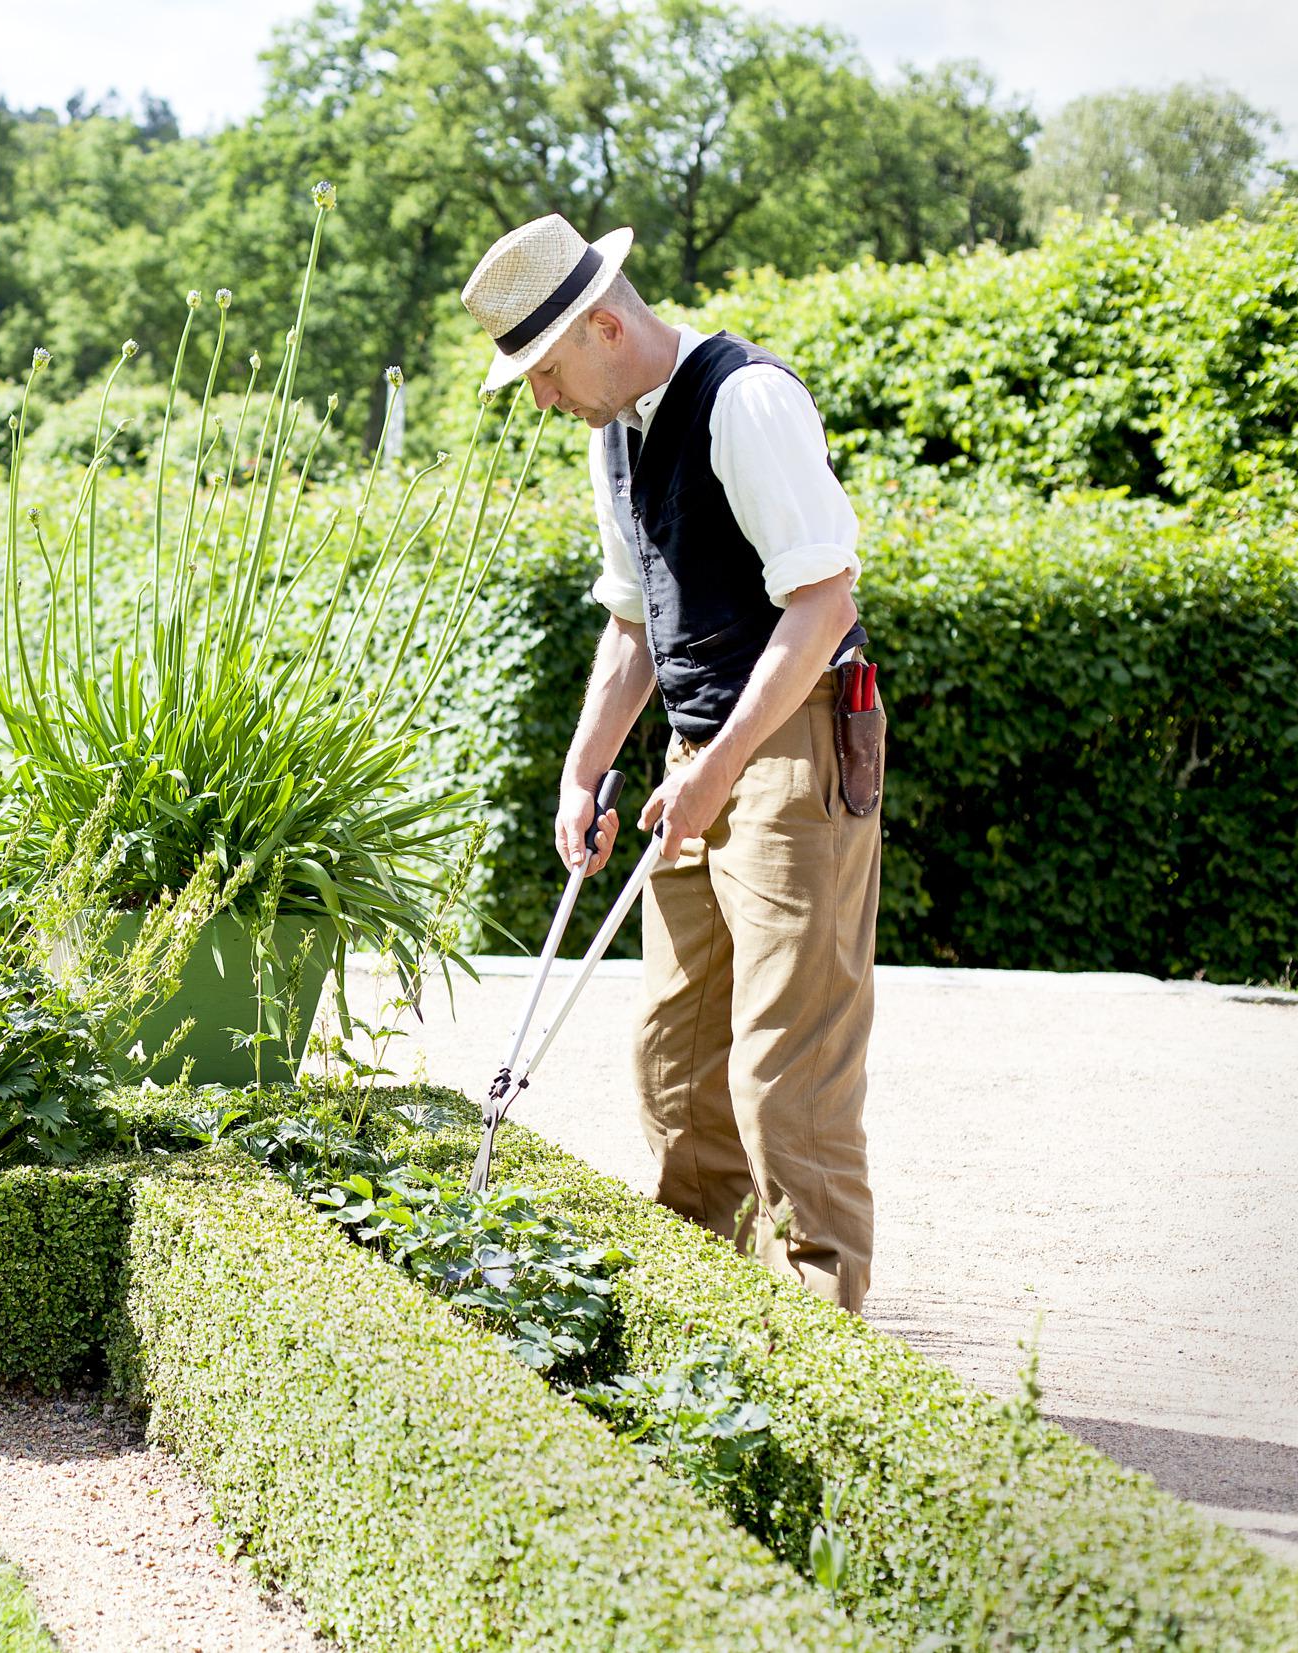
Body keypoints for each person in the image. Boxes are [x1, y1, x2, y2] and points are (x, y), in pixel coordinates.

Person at [460, 213, 884, 1311]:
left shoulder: (745, 400)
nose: (541, 400)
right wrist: (582, 768)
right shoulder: (614, 430)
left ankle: (817, 1345)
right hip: (697, 753)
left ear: (603, 327)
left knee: (783, 1076)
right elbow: (631, 624)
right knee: (675, 1069)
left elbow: (823, 602)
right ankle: (703, 1323)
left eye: (544, 372)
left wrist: (718, 767)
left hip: (790, 747)